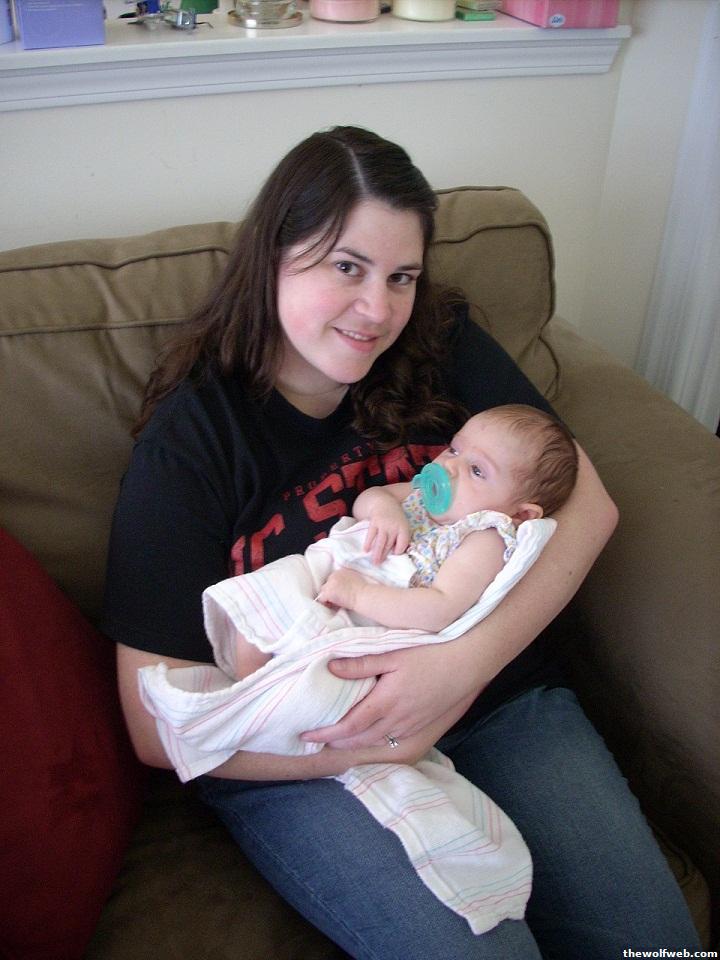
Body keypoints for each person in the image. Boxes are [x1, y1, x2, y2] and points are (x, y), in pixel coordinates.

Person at [104, 126, 701, 959]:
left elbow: (588, 505)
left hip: (499, 697)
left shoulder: (441, 343)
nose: (379, 310)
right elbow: (153, 722)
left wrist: (459, 667)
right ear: (273, 255)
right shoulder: (193, 443)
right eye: (347, 267)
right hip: (317, 746)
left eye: (402, 277)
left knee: (658, 946)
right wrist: (382, 738)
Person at [227, 403, 577, 680]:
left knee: (293, 651)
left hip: (372, 610)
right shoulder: (423, 494)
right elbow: (371, 498)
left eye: (477, 470)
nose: (449, 466)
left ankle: (259, 696)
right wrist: (384, 511)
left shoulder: (483, 536)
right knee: (256, 613)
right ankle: (247, 687)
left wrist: (359, 595)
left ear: (521, 515)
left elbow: (440, 609)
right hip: (332, 571)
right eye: (454, 449)